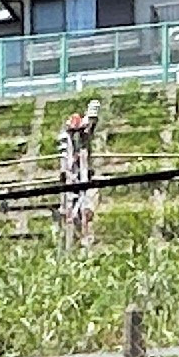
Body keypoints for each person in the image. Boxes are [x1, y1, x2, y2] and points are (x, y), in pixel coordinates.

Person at [56, 103, 101, 250]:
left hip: (84, 176)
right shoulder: (66, 141)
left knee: (86, 208)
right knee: (70, 212)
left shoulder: (84, 139)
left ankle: (85, 240)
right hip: (72, 179)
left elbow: (90, 125)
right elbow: (64, 163)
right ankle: (73, 242)